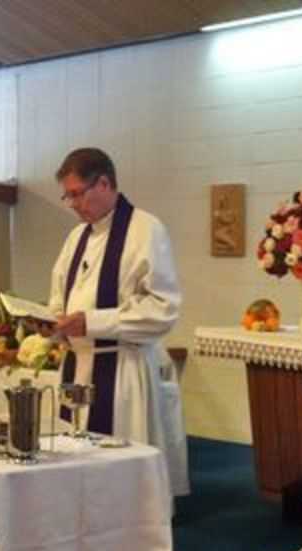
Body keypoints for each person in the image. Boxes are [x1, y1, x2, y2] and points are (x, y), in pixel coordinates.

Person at [48, 147, 189, 496]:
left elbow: (162, 308)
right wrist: (52, 323)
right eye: (68, 195)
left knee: (119, 483)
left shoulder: (145, 230)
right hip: (77, 367)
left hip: (120, 368)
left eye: (77, 193)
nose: (73, 204)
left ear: (105, 183)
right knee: (74, 474)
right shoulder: (76, 237)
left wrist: (93, 323)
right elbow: (59, 294)